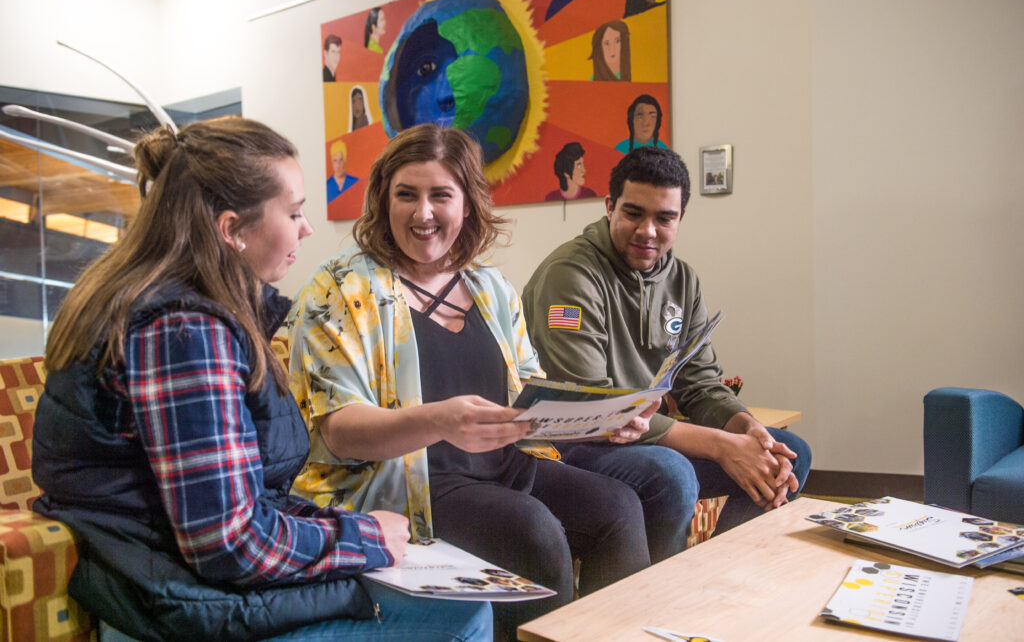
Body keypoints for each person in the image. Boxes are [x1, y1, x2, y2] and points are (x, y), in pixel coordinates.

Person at [30, 117, 491, 641]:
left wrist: (338, 531)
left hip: (170, 574)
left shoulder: (184, 311)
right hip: (169, 596)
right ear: (231, 230)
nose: (306, 228)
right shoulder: (183, 330)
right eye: (294, 212)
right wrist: (363, 537)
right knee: (467, 614)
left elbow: (241, 500)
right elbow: (227, 541)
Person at [287, 123, 650, 641]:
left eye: (441, 195)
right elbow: (340, 431)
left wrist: (602, 420)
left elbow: (531, 393)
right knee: (532, 531)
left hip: (505, 466)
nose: (423, 212)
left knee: (619, 507)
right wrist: (438, 420)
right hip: (406, 485)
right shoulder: (339, 287)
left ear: (468, 203)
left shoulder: (489, 286)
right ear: (382, 201)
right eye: (406, 195)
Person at [523, 146, 811, 562]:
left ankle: (712, 580)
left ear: (681, 218)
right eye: (633, 213)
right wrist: (719, 445)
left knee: (785, 454)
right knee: (671, 475)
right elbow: (593, 407)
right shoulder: (569, 276)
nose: (648, 231)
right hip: (571, 443)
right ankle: (650, 605)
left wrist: (747, 429)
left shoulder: (682, 280)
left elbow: (699, 383)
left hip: (641, 437)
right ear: (609, 206)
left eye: (664, 218)